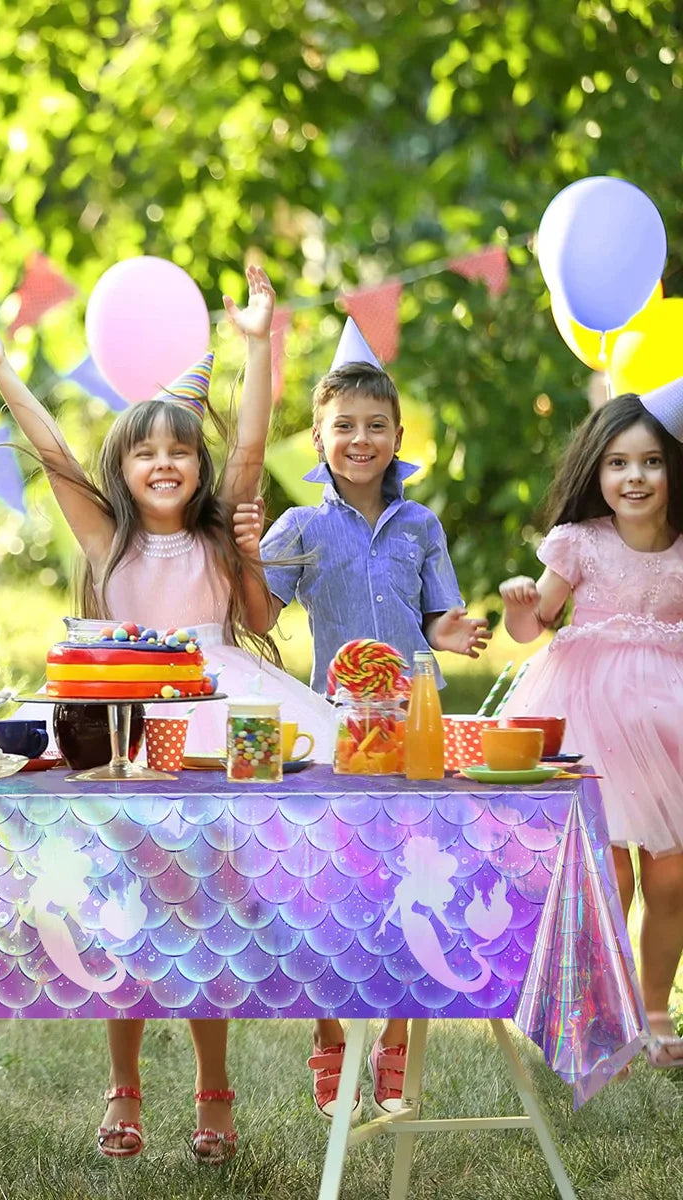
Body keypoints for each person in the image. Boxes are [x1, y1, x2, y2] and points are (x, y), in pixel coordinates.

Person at [0, 266, 331, 1164]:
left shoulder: (213, 537)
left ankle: (214, 1089)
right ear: (120, 468)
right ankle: (122, 1085)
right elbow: (49, 452)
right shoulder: (104, 539)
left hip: (213, 704)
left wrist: (257, 344)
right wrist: (3, 367)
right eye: (144, 451)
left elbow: (253, 438)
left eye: (181, 453)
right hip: (118, 719)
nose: (164, 462)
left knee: (199, 910)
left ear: (199, 471)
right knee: (121, 906)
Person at [248, 320, 490, 1122]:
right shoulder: (299, 528)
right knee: (333, 893)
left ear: (397, 437)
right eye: (344, 425)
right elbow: (258, 613)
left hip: (415, 727)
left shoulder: (421, 525)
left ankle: (392, 1046)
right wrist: (247, 555)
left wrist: (453, 631)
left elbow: (440, 615)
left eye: (375, 425)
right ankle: (330, 1042)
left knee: (412, 885)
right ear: (319, 436)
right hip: (338, 732)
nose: (360, 438)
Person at [499, 385, 683, 1068]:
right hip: (594, 718)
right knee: (612, 878)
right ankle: (604, 1017)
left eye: (651, 463)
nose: (633, 477)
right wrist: (522, 604)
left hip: (670, 729)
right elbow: (531, 628)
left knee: (670, 880)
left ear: (673, 470)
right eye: (617, 463)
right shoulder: (579, 542)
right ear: (595, 472)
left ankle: (657, 1007)